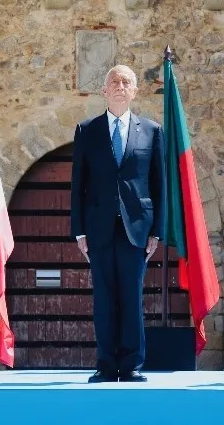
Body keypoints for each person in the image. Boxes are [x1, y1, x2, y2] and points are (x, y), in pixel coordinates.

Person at [70, 65, 165, 383]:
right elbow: (78, 183)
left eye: (126, 82)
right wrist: (79, 230)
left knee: (131, 297)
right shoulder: (87, 130)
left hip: (136, 228)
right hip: (98, 228)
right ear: (105, 91)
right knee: (104, 298)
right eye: (114, 82)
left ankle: (132, 364)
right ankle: (106, 364)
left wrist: (158, 230)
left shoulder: (151, 131)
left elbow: (158, 184)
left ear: (135, 91)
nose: (120, 86)